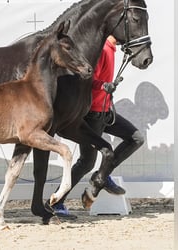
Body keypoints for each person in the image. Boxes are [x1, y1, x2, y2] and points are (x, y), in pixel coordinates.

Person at [51, 35, 145, 218]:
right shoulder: (102, 51)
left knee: (136, 138)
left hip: (106, 111)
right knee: (86, 162)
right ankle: (57, 202)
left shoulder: (112, 49)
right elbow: (85, 78)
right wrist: (103, 86)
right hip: (93, 113)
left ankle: (102, 175)